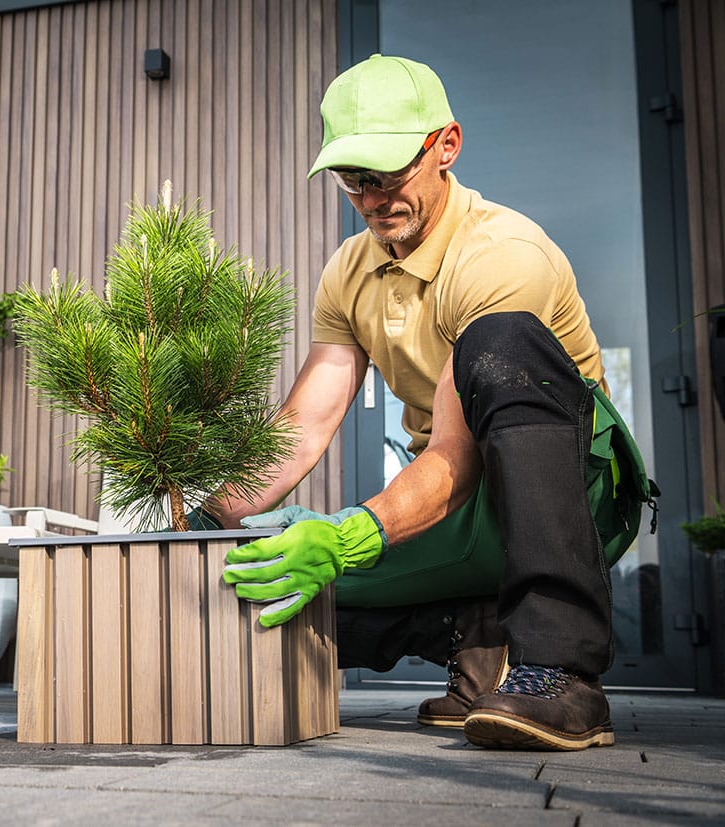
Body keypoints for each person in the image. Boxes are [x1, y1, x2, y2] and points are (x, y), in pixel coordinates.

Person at [191, 54, 652, 751]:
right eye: (355, 180)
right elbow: (304, 426)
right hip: (456, 506)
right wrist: (208, 517)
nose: (373, 199)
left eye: (390, 174)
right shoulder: (349, 270)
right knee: (267, 586)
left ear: (446, 146)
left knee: (503, 341)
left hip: (558, 495)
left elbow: (455, 458)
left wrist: (348, 533)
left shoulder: (502, 253)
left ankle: (560, 671)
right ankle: (476, 630)